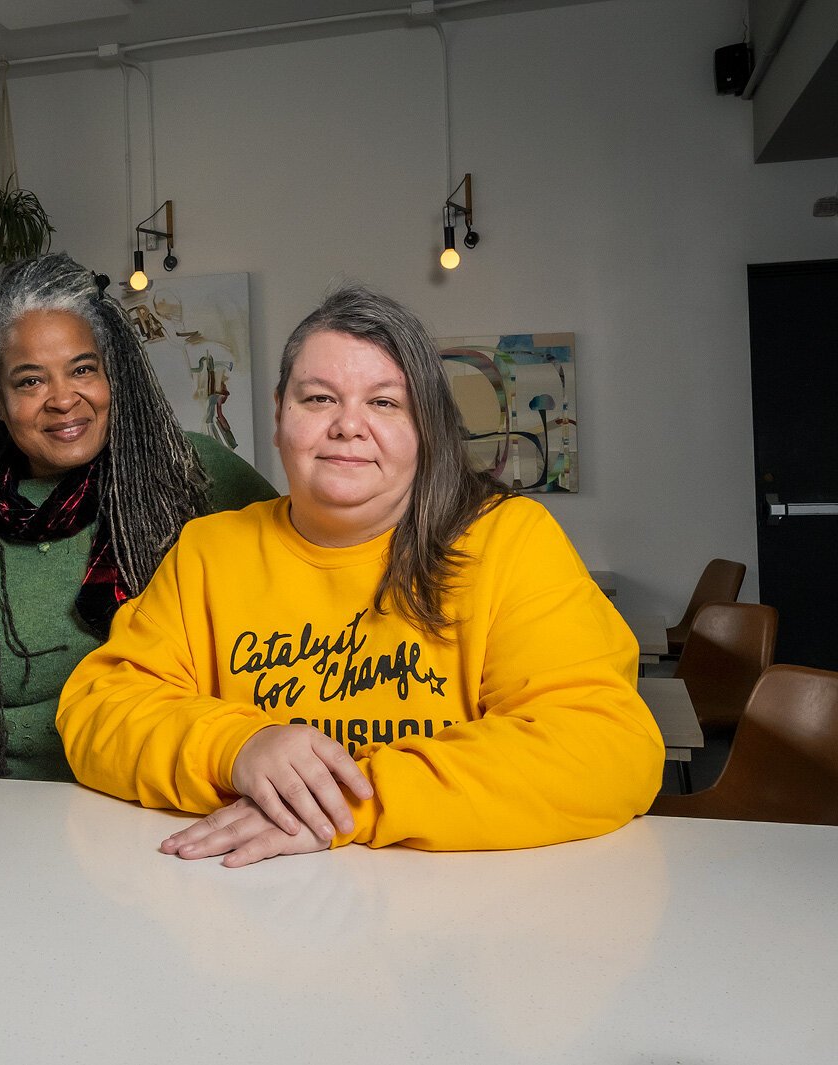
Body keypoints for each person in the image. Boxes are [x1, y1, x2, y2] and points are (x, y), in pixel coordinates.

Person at [57, 284, 663, 864]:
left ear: (424, 427)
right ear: (278, 415)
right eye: (319, 398)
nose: (348, 425)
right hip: (255, 904)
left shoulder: (509, 540)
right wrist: (236, 747)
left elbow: (608, 749)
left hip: (453, 914)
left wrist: (347, 803)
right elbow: (98, 709)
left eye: (384, 402)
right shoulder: (209, 551)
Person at [0, 253, 275, 780]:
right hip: (9, 817)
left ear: (111, 375)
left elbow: (307, 582)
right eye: (30, 381)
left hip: (175, 804)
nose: (63, 399)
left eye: (82, 369)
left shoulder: (197, 475)